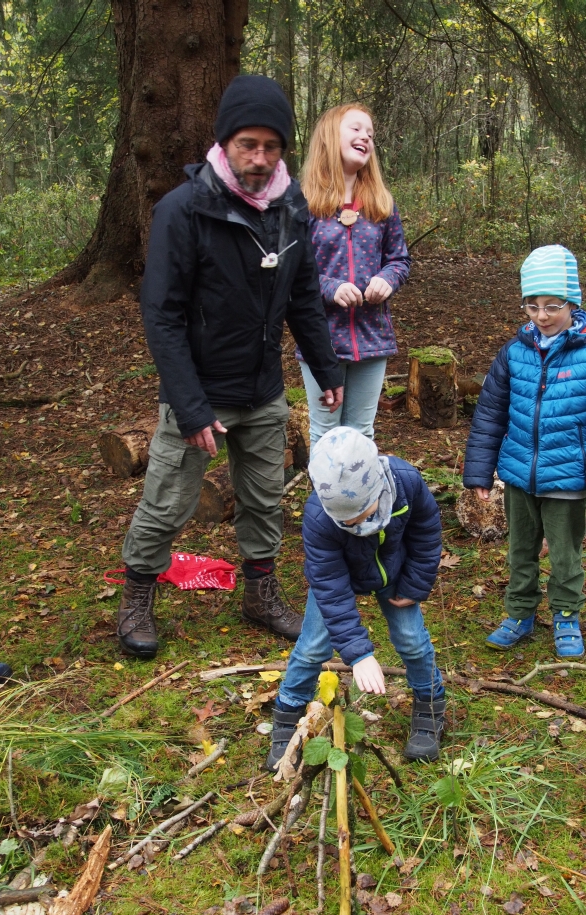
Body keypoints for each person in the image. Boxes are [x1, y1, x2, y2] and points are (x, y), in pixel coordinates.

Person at [117, 75, 344, 659]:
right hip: (199, 391)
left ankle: (260, 596)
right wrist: (189, 405)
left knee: (265, 497)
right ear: (224, 142)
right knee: (169, 502)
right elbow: (161, 314)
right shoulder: (184, 209)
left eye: (272, 147)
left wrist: (328, 369)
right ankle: (137, 598)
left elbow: (303, 296)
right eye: (248, 144)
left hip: (263, 388)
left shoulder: (291, 208)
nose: (260, 159)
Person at [463, 244, 586, 658]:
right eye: (532, 306)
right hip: (519, 474)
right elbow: (489, 415)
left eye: (552, 306)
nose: (541, 315)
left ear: (572, 304)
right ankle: (519, 612)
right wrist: (479, 473)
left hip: (568, 477)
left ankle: (566, 615)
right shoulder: (513, 353)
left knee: (565, 554)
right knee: (520, 550)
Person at [266, 427, 446, 770]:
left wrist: (415, 584)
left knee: (412, 641)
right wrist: (359, 653)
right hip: (342, 577)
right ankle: (288, 712)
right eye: (346, 521)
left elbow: (427, 530)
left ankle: (430, 704)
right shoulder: (319, 517)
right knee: (313, 648)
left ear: (378, 486)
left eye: (363, 514)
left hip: (395, 573)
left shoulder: (406, 481)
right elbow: (329, 585)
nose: (356, 524)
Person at [297, 104, 411, 445]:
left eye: (370, 134)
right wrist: (330, 287)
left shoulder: (381, 204)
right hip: (322, 340)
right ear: (330, 137)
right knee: (326, 434)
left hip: (372, 337)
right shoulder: (304, 205)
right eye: (356, 129)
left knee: (361, 434)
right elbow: (293, 273)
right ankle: (324, 501)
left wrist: (386, 280)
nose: (365, 137)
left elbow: (399, 260)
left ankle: (360, 500)